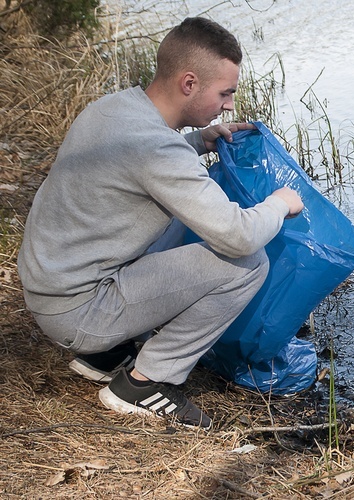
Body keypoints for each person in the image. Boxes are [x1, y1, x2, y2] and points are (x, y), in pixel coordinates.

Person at [16, 17, 303, 429]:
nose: (228, 105)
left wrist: (197, 142)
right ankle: (146, 382)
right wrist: (279, 203)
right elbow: (239, 235)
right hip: (78, 313)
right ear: (189, 83)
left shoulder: (116, 109)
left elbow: (137, 163)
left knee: (178, 214)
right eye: (224, 93)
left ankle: (106, 354)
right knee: (248, 261)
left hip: (53, 290)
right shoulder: (155, 149)